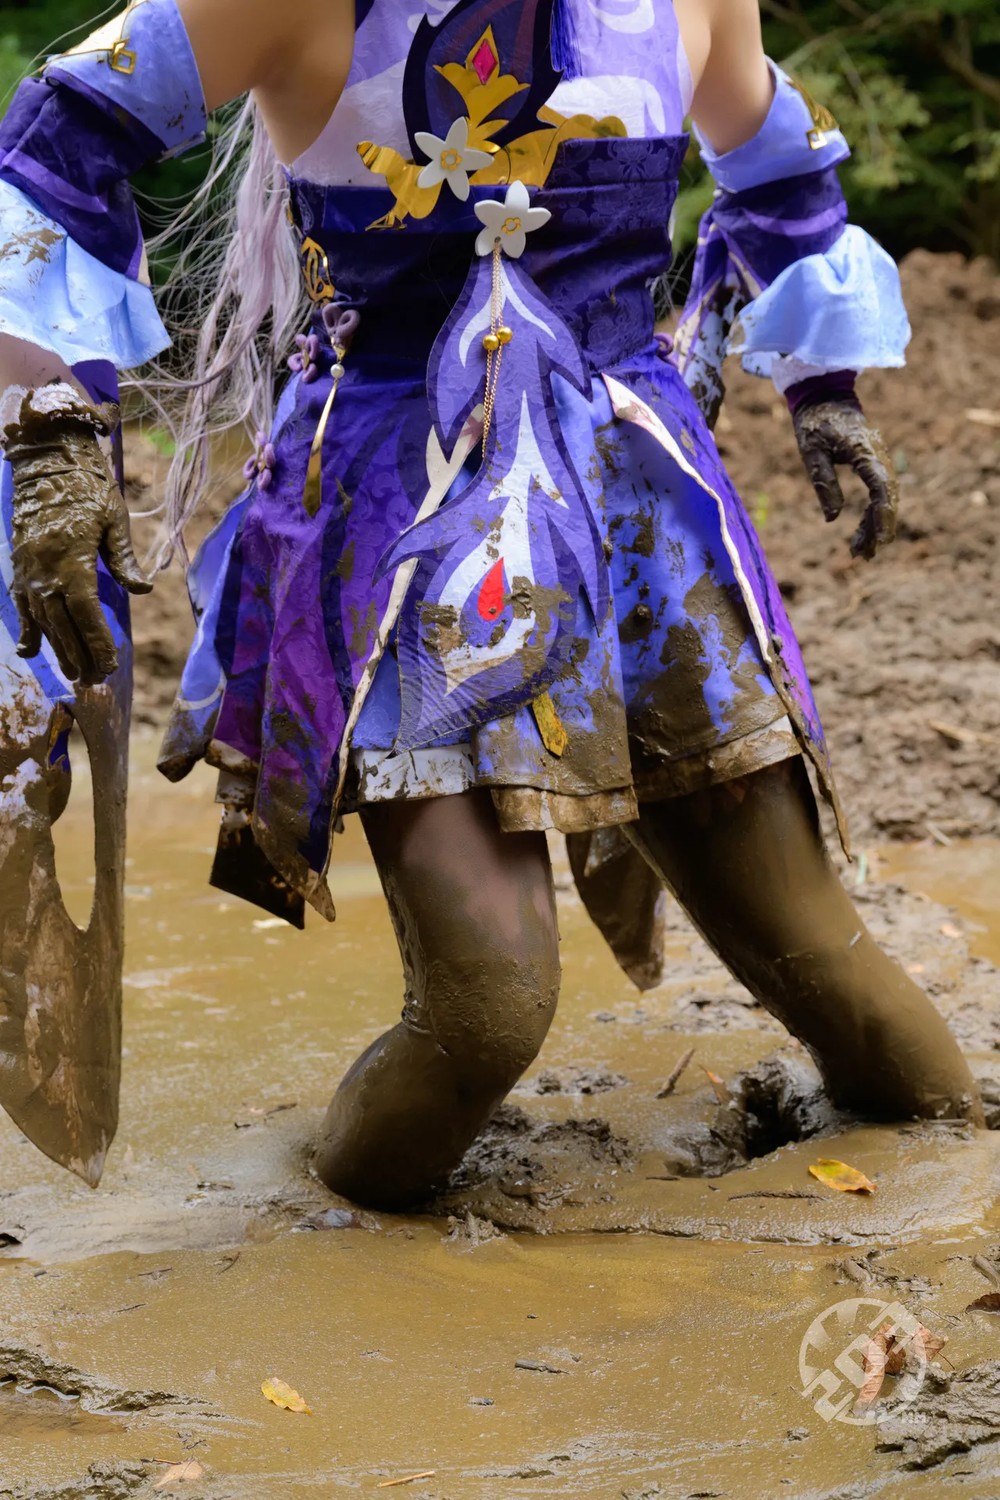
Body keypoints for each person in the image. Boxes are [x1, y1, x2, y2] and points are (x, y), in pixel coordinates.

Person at [0, 0, 982, 1204]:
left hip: (640, 522)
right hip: (401, 529)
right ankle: (303, 1231)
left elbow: (779, 165)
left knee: (859, 1009)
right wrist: (49, 436)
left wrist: (823, 387)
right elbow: (49, 151)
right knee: (485, 1015)